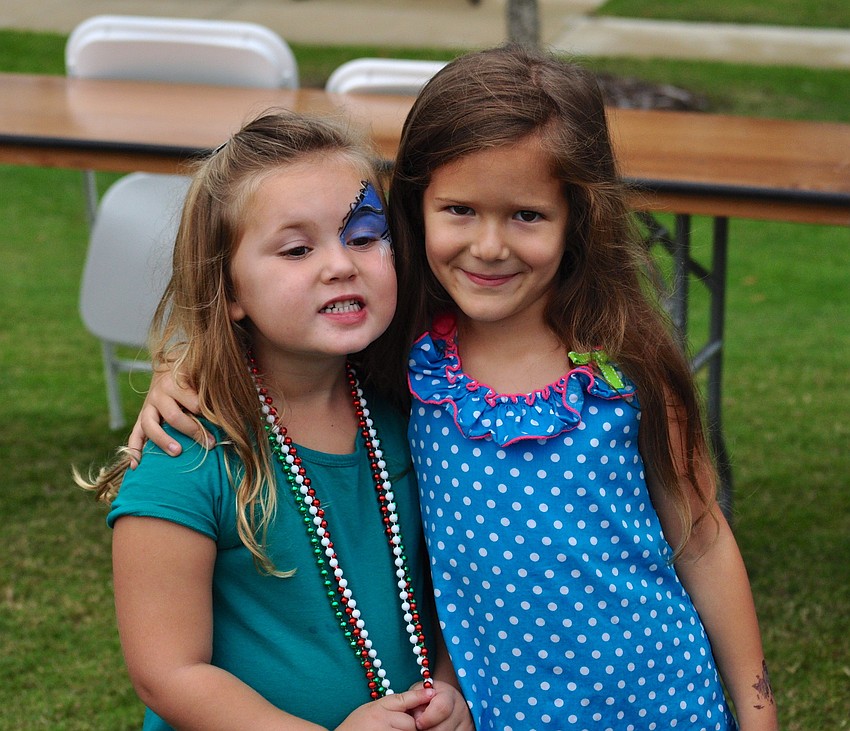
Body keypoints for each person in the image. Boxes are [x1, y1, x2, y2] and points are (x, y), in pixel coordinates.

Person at [129, 47, 778, 731]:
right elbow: (280, 332)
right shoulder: (408, 363)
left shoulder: (624, 368)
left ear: (577, 217)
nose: (490, 246)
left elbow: (703, 540)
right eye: (460, 209)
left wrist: (759, 714)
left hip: (664, 703)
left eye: (527, 215)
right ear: (419, 210)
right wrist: (190, 362)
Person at [76, 109, 472, 731]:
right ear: (229, 289)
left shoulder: (418, 409)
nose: (341, 264)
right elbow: (167, 671)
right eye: (296, 249)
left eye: (365, 235)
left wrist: (449, 688)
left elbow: (453, 590)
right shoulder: (188, 449)